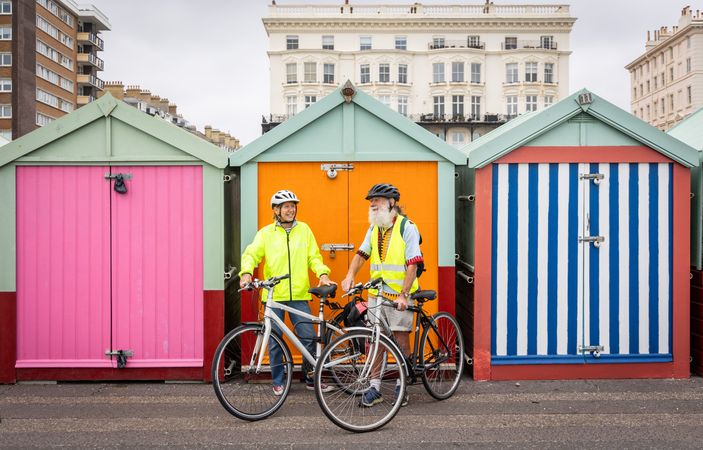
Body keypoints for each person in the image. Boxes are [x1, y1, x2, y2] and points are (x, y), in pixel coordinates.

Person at [239, 189, 335, 396]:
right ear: (276, 210)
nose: (290, 210)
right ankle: (278, 381)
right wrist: (246, 273)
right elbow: (251, 254)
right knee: (274, 340)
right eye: (286, 207)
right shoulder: (265, 233)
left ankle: (311, 377)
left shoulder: (304, 230)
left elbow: (314, 257)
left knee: (308, 337)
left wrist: (323, 273)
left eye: (293, 206)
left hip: (299, 294)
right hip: (274, 296)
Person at [341, 183, 422, 407]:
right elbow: (361, 254)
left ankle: (401, 384)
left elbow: (413, 264)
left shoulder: (407, 227)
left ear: (392, 203)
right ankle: (375, 387)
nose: (373, 204)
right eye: (371, 201)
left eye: (377, 200)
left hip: (398, 295)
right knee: (375, 340)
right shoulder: (374, 228)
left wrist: (404, 295)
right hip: (377, 294)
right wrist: (350, 275)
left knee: (400, 338)